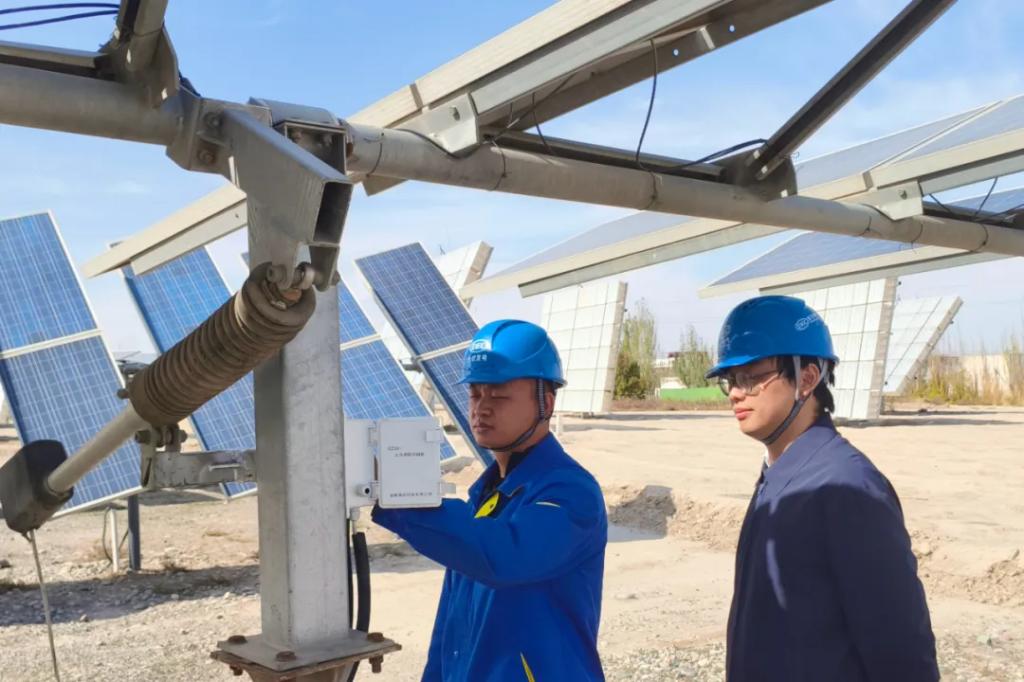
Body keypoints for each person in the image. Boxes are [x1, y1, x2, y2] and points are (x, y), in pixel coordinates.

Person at [706, 295, 938, 682]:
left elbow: (900, 647)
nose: (735, 392)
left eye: (751, 376)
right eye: (730, 380)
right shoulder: (779, 475)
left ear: (807, 379)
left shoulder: (846, 487)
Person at [373, 319, 607, 681]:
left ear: (545, 402)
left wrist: (403, 500)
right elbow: (452, 630)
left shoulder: (571, 492)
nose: (481, 408)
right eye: (475, 393)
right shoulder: (486, 497)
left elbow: (505, 556)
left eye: (498, 395)